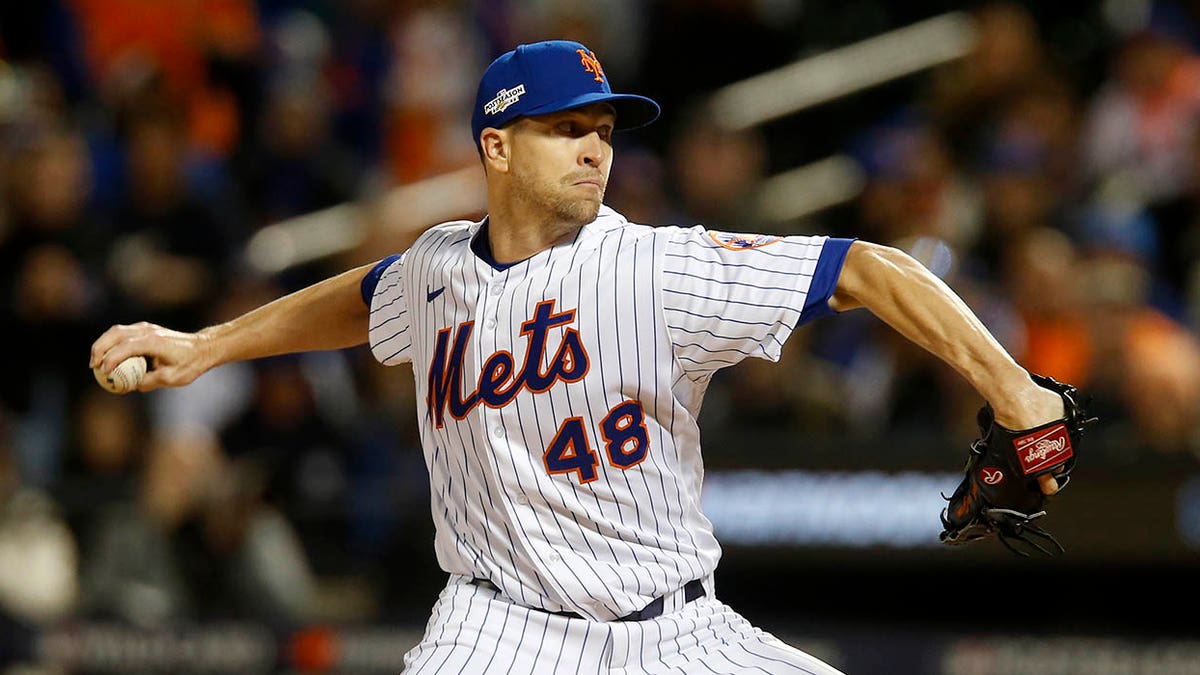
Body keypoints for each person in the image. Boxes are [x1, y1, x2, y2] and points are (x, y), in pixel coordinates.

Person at [91, 39, 1069, 674]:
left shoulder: (657, 268)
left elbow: (869, 268)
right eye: (566, 130)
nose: (596, 149)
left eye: (602, 130)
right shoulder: (438, 269)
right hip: (500, 631)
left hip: (680, 632)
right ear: (497, 149)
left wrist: (1018, 394)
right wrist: (207, 346)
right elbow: (362, 298)